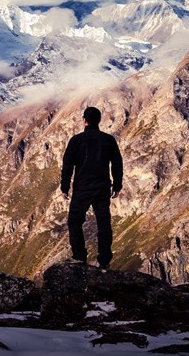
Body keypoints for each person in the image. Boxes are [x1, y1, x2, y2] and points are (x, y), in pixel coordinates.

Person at [60, 106, 123, 268]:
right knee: (103, 222)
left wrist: (64, 187)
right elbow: (117, 163)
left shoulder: (76, 140)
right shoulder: (108, 140)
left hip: (82, 188)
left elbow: (68, 165)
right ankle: (104, 261)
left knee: (75, 220)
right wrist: (117, 185)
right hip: (102, 187)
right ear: (99, 120)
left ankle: (79, 256)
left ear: (84, 120)